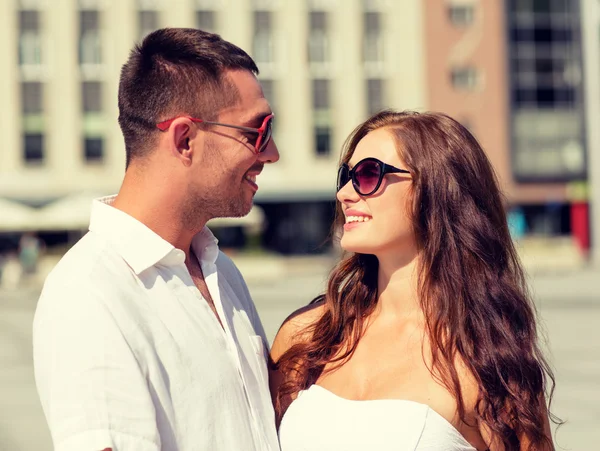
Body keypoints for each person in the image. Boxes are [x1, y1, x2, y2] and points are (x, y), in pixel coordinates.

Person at [33, 28, 279, 451]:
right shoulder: (89, 294)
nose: (271, 152)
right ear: (185, 139)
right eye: (256, 132)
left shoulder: (221, 271)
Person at [270, 110, 557, 451]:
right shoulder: (308, 335)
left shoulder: (484, 359)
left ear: (436, 190)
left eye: (367, 174)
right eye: (345, 176)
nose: (344, 193)